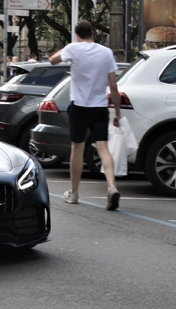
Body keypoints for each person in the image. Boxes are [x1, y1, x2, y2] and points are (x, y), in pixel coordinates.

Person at [49, 19, 122, 211]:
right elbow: (113, 86)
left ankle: (73, 193)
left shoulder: (74, 48)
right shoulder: (106, 52)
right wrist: (118, 113)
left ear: (77, 35)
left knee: (77, 149)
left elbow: (52, 60)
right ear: (93, 33)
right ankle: (111, 186)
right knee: (103, 148)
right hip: (99, 107)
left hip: (80, 106)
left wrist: (67, 48)